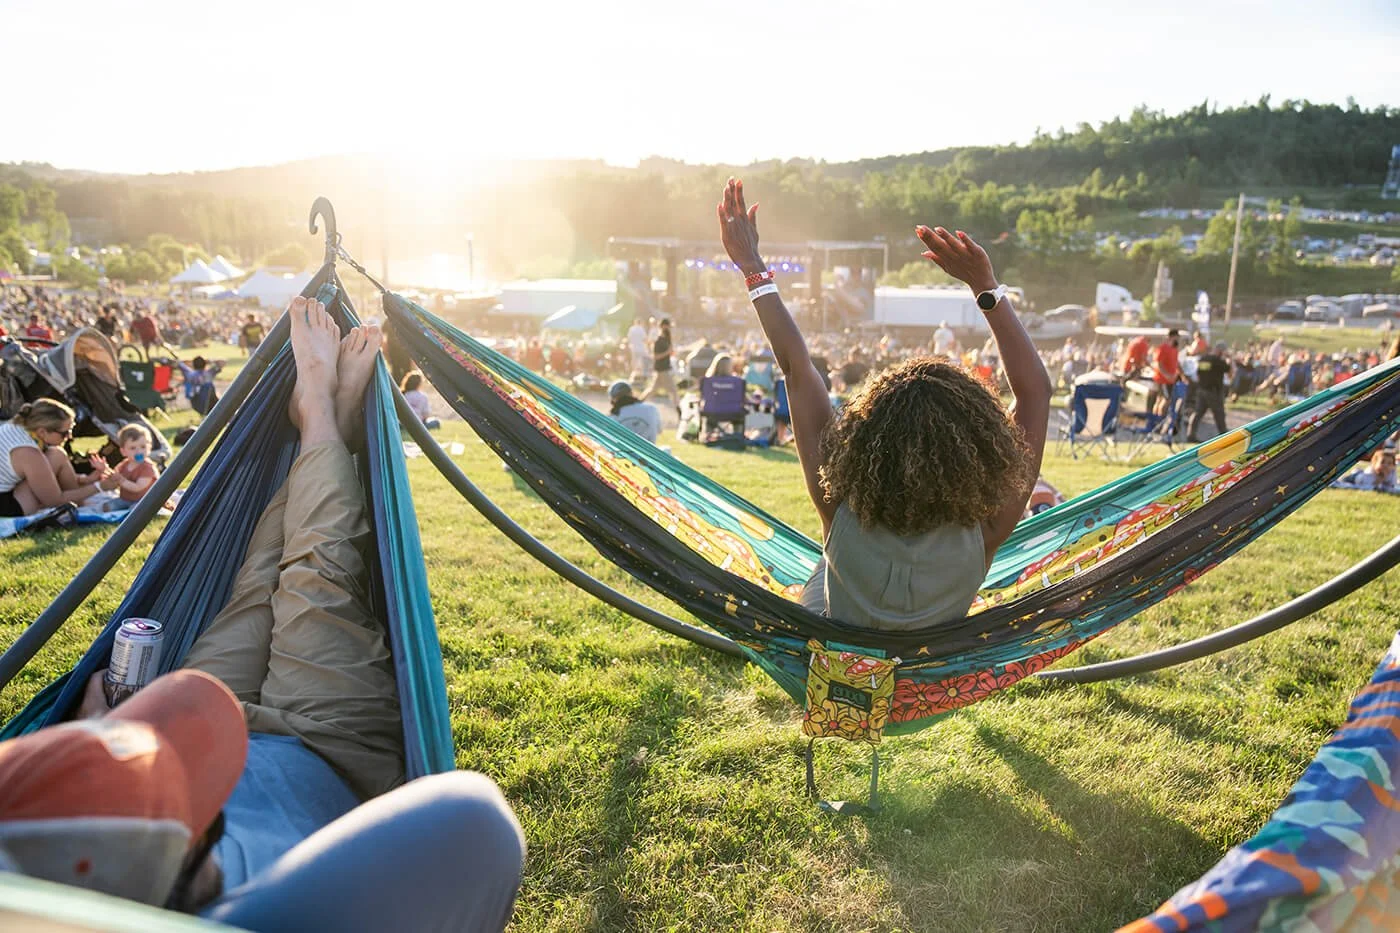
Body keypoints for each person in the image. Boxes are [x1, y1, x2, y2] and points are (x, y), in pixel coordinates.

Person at [4, 297, 525, 930]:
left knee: (253, 585)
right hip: (328, 746)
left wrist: (94, 744)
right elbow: (474, 824)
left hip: (190, 742)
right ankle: (323, 423)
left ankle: (322, 426)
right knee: (315, 579)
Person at [716, 178, 1050, 631]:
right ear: (978, 447)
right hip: (928, 675)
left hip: (832, 659)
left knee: (825, 563)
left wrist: (752, 267)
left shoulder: (839, 508)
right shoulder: (987, 530)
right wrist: (984, 287)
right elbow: (1035, 393)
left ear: (868, 438)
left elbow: (797, 369)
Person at [0, 399, 119, 517]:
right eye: (65, 433)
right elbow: (54, 500)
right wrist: (100, 487)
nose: (70, 437)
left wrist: (85, 480)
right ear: (42, 431)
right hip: (7, 506)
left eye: (71, 429)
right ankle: (80, 504)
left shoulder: (16, 426)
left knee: (56, 455)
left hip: (8, 490)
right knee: (57, 456)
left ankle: (79, 499)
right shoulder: (29, 453)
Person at [103, 423, 160, 510]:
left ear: (149, 447)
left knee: (136, 510)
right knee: (107, 506)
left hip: (144, 500)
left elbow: (138, 487)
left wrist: (121, 480)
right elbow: (115, 478)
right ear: (123, 451)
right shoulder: (124, 465)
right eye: (133, 448)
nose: (138, 451)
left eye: (143, 447)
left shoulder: (148, 468)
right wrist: (105, 470)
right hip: (125, 499)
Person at [1186, 341, 1233, 443]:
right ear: (1221, 351)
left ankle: (1190, 435)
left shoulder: (1204, 359)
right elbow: (1229, 372)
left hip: (1202, 390)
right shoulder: (1218, 361)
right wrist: (1229, 359)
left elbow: (1198, 374)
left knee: (1198, 413)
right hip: (1214, 392)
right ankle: (1224, 435)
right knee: (1219, 414)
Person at [641, 318, 679, 416]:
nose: (669, 329)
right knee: (674, 391)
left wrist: (671, 352)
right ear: (663, 326)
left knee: (652, 390)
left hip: (663, 368)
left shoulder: (666, 340)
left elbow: (669, 353)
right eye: (668, 326)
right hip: (662, 369)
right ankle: (679, 410)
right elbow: (656, 356)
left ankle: (638, 402)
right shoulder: (658, 341)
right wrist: (667, 352)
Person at [1332, 447, 1398, 493]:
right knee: (1343, 480)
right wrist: (1379, 480)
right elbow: (1366, 486)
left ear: (1393, 466)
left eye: (1389, 463)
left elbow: (1391, 485)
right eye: (1382, 462)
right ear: (1375, 463)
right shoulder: (1369, 473)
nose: (1385, 465)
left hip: (1362, 478)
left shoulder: (1391, 473)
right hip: (1356, 478)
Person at [1147, 329, 1182, 415]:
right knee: (1166, 399)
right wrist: (1166, 375)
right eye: (1176, 338)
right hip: (1163, 380)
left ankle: (1157, 418)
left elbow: (1176, 363)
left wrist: (1181, 374)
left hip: (1170, 380)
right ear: (1172, 337)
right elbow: (1158, 364)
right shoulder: (1162, 348)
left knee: (1161, 399)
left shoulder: (1174, 349)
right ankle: (1160, 418)